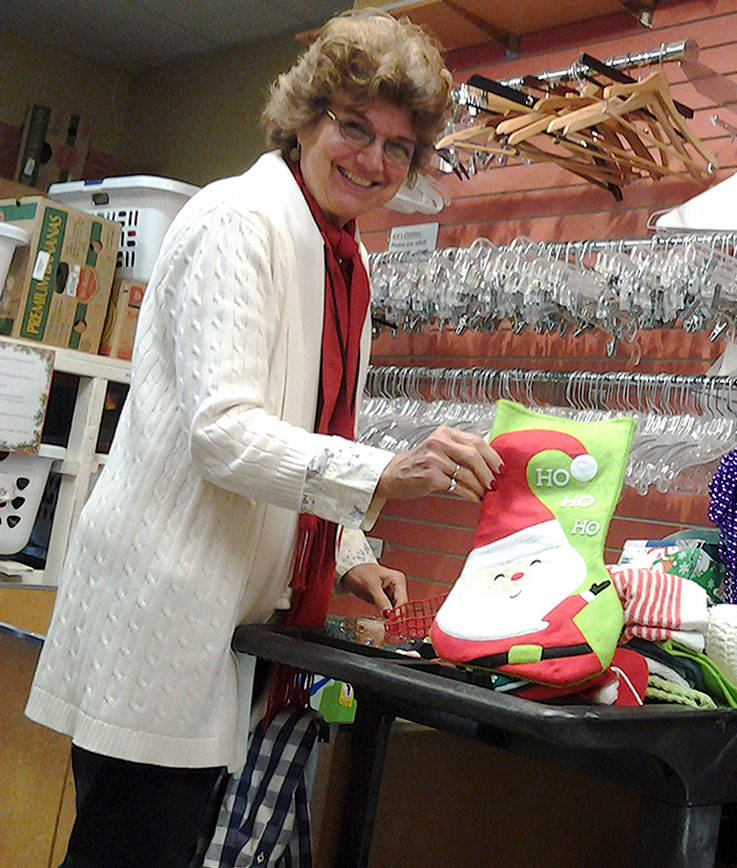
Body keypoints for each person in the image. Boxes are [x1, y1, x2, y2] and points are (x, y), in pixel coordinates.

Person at [25, 11, 501, 867]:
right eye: (354, 127)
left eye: (400, 146)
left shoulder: (347, 255)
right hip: (163, 613)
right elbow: (225, 434)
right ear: (306, 118)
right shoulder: (240, 221)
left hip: (232, 624)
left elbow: (313, 416)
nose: (373, 160)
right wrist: (386, 473)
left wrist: (350, 546)